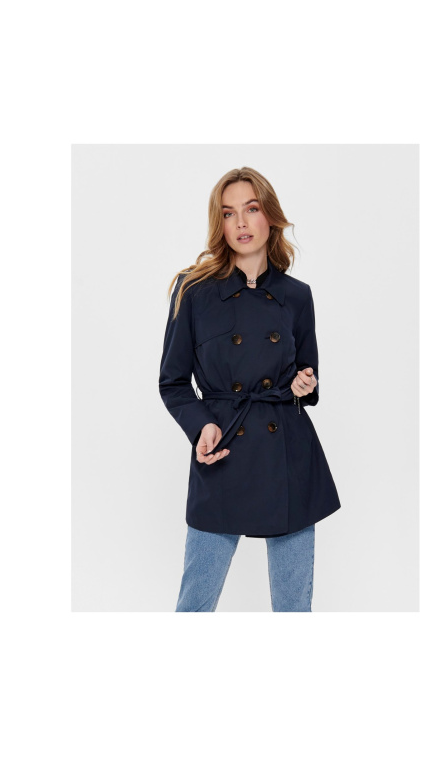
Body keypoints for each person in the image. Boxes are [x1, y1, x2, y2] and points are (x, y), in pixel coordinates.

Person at [159, 167, 341, 612]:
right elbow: (173, 382)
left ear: (270, 216)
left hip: (289, 458)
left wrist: (303, 383)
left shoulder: (298, 295)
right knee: (195, 604)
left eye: (251, 209)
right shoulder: (194, 291)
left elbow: (307, 378)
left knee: (294, 608)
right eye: (228, 213)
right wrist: (201, 426)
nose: (240, 223)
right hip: (223, 450)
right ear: (219, 224)